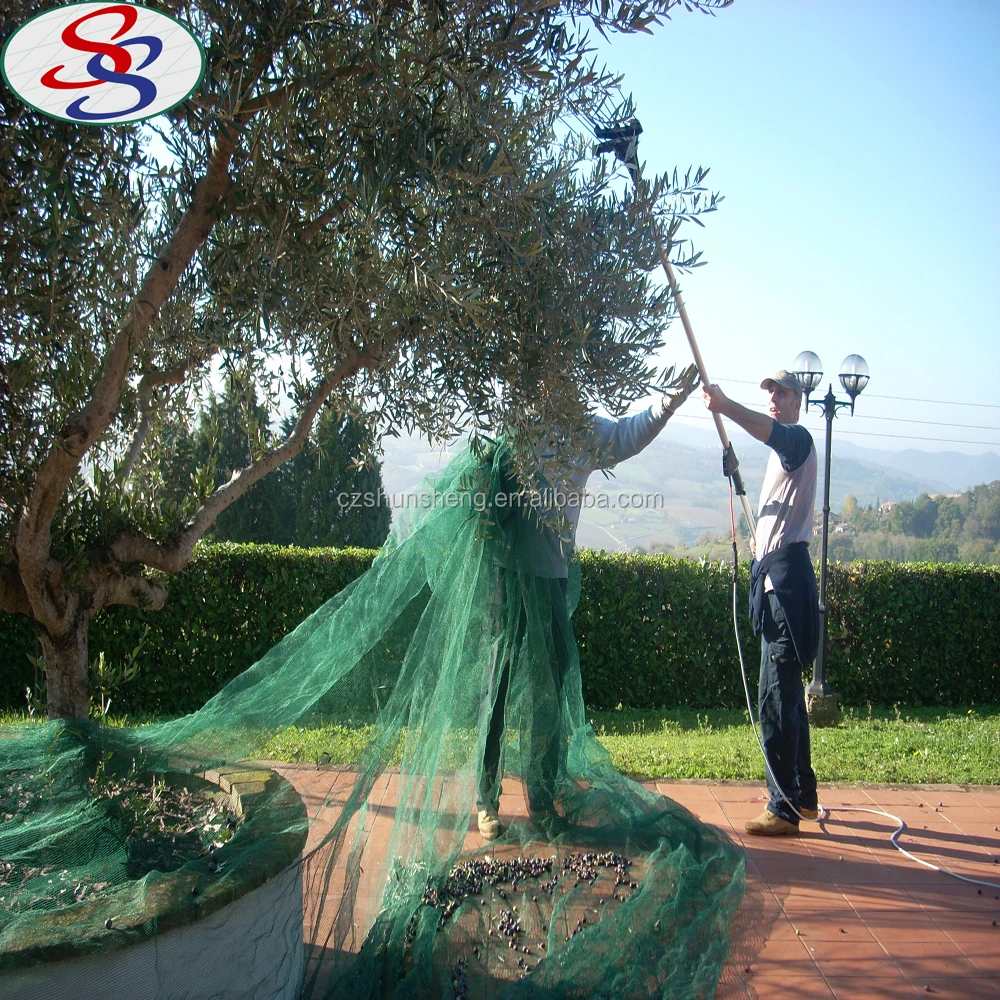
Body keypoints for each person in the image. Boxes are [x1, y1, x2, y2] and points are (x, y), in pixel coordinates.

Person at [476, 372, 697, 839]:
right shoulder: (518, 425)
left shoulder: (585, 431)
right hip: (509, 578)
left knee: (549, 696)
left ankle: (541, 801)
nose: (554, 384)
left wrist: (669, 402)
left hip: (552, 580)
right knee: (498, 686)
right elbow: (484, 489)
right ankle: (486, 799)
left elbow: (629, 434)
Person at [702, 370, 820, 836]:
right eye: (770, 391)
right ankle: (802, 796)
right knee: (788, 697)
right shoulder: (782, 458)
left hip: (786, 590)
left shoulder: (798, 440)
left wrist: (725, 405)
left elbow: (768, 431)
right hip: (778, 580)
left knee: (775, 698)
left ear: (797, 402)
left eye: (782, 392)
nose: (773, 397)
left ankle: (782, 807)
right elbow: (776, 516)